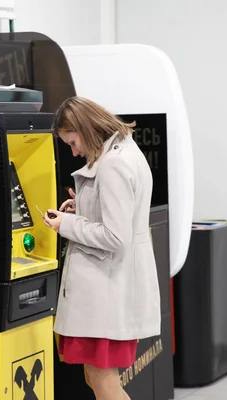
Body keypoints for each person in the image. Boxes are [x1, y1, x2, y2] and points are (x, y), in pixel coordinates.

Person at [43, 96, 161, 400]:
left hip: (107, 294)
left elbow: (114, 236)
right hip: (111, 290)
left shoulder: (113, 165)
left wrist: (64, 225)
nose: (73, 151)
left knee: (102, 380)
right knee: (97, 378)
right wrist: (82, 208)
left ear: (86, 128)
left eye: (72, 141)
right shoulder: (124, 153)